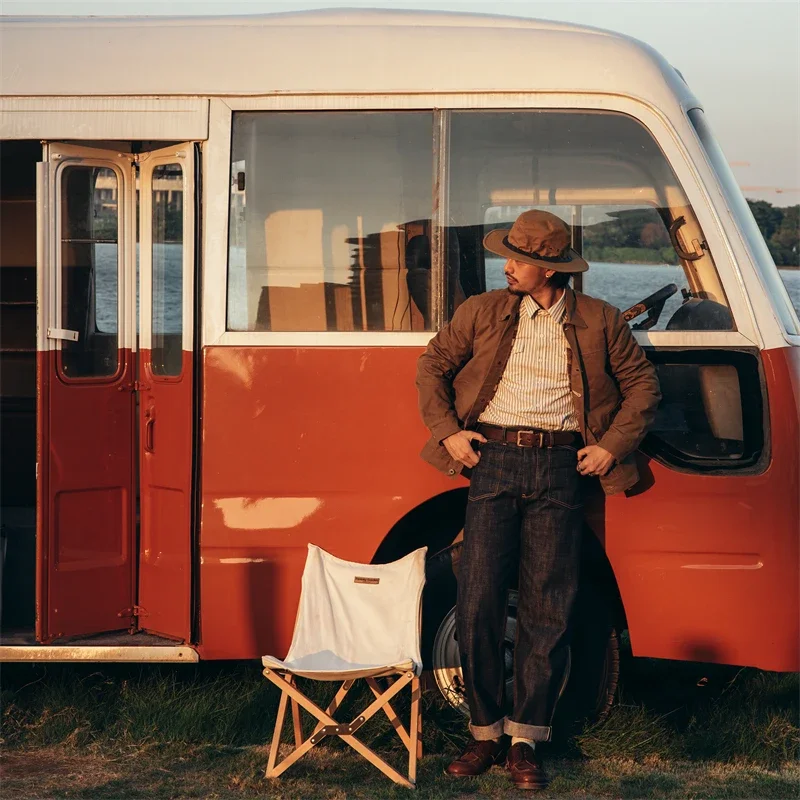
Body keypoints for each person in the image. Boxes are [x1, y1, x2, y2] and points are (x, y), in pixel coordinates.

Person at [416, 209, 661, 790]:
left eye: (519, 260)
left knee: (547, 608)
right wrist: (449, 431)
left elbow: (643, 386)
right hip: (491, 463)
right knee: (477, 598)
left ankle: (526, 740)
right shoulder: (481, 311)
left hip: (561, 468)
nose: (508, 267)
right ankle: (483, 736)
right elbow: (432, 365)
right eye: (509, 256)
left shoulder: (600, 321)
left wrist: (609, 448)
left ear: (549, 268)